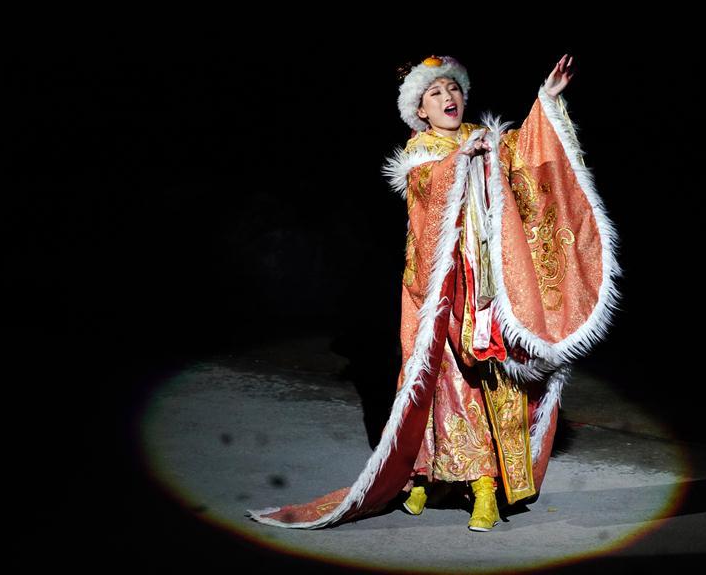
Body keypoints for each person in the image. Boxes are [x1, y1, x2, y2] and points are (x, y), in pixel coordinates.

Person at [247, 54, 621, 532]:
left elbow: (527, 154)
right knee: (449, 387)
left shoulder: (484, 137)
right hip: (445, 293)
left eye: (453, 88)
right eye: (435, 92)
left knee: (501, 381)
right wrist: (458, 163)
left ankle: (465, 481)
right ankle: (459, 483)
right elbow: (427, 190)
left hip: (492, 288)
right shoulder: (421, 152)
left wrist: (546, 98)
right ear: (420, 110)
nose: (449, 98)